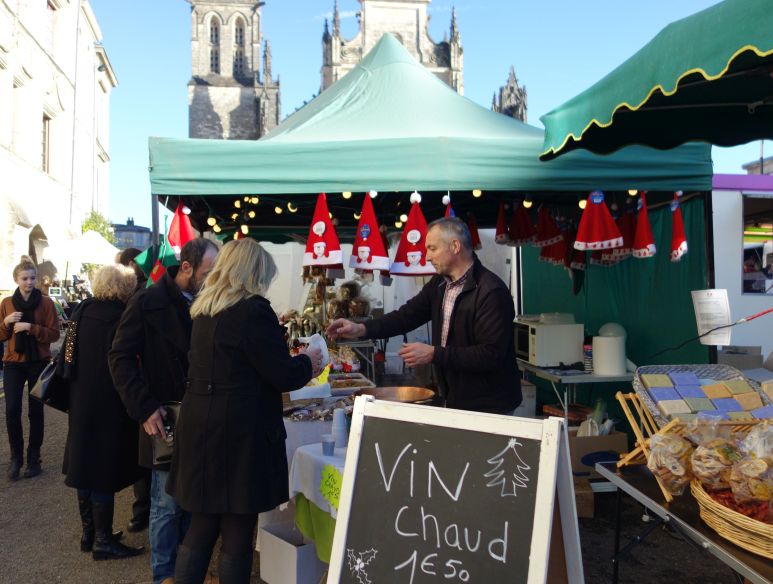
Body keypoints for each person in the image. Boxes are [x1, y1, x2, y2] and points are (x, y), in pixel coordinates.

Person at [167, 238, 323, 584]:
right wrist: (307, 363)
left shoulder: (204, 308)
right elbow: (280, 373)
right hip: (237, 430)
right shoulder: (252, 310)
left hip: (200, 423)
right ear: (253, 272)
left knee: (203, 521)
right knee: (238, 524)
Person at [327, 217, 522, 414]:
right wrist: (362, 328)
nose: (427, 256)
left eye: (432, 248)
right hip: (455, 400)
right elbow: (406, 315)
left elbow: (490, 355)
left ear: (455, 246)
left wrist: (434, 353)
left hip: (490, 406)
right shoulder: (440, 284)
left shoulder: (491, 291)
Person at [109, 238, 219, 584]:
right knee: (166, 505)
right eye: (209, 272)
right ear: (186, 268)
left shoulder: (211, 302)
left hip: (204, 416)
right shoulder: (147, 302)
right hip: (165, 417)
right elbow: (120, 358)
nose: (214, 278)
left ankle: (187, 575)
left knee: (194, 502)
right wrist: (144, 407)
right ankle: (163, 576)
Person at [62, 264, 145, 560]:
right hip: (109, 401)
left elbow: (66, 356)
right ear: (124, 288)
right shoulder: (122, 317)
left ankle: (90, 534)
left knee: (83, 465)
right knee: (102, 470)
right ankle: (102, 540)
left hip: (80, 397)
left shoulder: (80, 311)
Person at [0, 256, 60, 480]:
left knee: (36, 412)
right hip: (14, 362)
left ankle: (34, 458)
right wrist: (6, 323)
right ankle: (16, 458)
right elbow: (1, 335)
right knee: (12, 410)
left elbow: (54, 335)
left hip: (38, 362)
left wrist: (31, 327)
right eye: (24, 278)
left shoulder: (46, 303)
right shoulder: (7, 303)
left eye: (32, 278)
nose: (29, 282)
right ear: (16, 279)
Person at [116, 246, 150, 533]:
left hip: (127, 388)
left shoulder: (133, 300)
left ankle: (141, 511)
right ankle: (142, 511)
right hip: (138, 387)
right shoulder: (139, 299)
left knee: (143, 452)